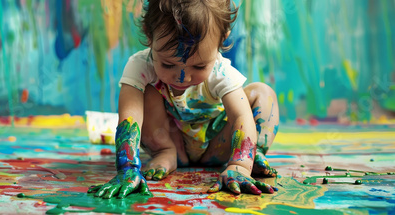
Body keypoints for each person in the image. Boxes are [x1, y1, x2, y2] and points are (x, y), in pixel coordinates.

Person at [88, 0, 279, 199]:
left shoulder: (221, 72)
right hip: (170, 140)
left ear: (221, 40)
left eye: (198, 67)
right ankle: (165, 153)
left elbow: (241, 116)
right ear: (149, 34)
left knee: (263, 93)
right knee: (144, 91)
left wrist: (240, 165)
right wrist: (127, 168)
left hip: (219, 146)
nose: (183, 78)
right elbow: (130, 117)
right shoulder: (140, 66)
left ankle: (253, 155)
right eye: (168, 64)